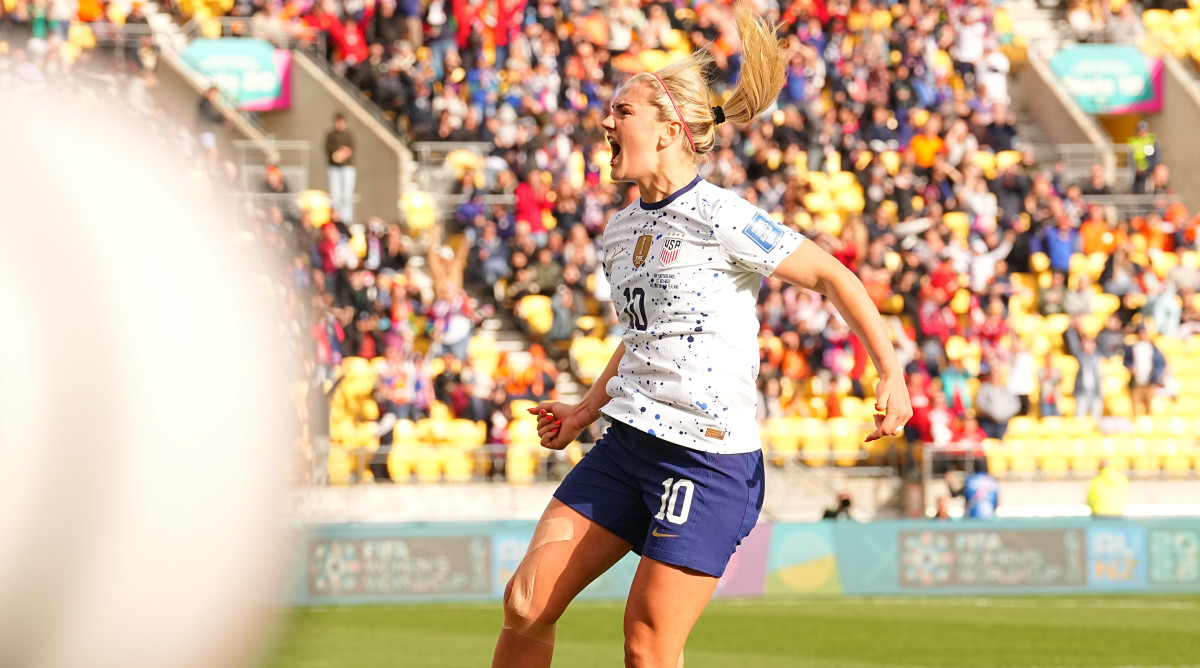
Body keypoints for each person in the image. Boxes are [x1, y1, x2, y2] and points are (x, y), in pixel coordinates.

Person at [490, 10, 912, 667]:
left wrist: (891, 369)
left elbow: (832, 275)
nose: (605, 123)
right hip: (628, 443)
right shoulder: (621, 231)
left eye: (621, 111)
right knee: (526, 600)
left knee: (647, 646)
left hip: (705, 458)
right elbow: (642, 337)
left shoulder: (721, 216)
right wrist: (584, 410)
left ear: (669, 130)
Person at [1124, 327, 1166, 417]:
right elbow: (1126, 361)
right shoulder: (1133, 347)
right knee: (1135, 410)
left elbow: (1160, 363)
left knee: (1149, 410)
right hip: (1136, 383)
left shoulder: (1154, 349)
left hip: (1149, 383)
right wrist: (1130, 368)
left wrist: (1156, 377)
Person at [325, 112, 357, 223]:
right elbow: (328, 149)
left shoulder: (348, 135)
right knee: (335, 194)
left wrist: (345, 152)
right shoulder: (331, 135)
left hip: (347, 168)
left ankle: (347, 219)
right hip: (334, 168)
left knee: (347, 195)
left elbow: (352, 149)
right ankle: (336, 217)